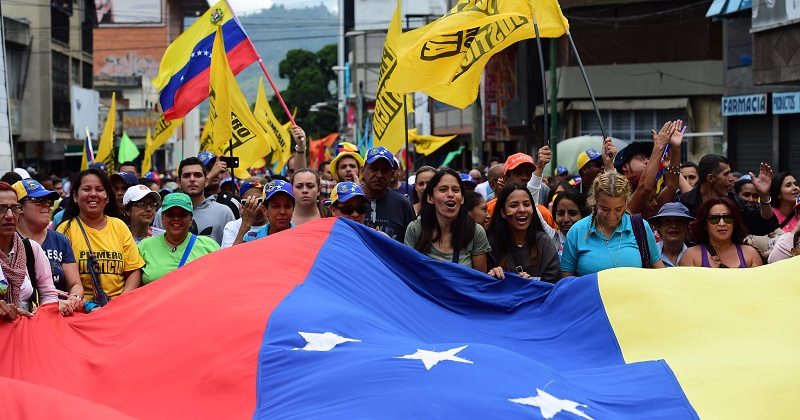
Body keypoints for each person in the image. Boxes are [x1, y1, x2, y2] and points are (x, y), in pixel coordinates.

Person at [57, 169, 144, 311]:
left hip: (120, 312)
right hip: (80, 311)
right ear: (74, 196)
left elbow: (134, 271)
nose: (93, 194)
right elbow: (63, 281)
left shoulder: (119, 226)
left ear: (107, 197)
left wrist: (121, 303)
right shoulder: (65, 230)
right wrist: (87, 306)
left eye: (99, 189)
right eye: (86, 189)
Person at [561, 172, 664, 278]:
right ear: (595, 202)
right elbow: (566, 282)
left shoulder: (640, 227)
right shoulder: (577, 231)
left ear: (626, 203)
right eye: (605, 209)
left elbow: (660, 272)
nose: (611, 215)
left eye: (618, 209)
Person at [0, 181, 78, 320]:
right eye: (1, 209)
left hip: (26, 332)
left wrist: (43, 310)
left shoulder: (31, 249)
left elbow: (48, 294)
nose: (10, 215)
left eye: (14, 208)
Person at [13, 180, 83, 306]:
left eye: (48, 201)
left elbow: (75, 284)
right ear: (19, 207)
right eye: (38, 200)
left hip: (58, 316)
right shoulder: (8, 241)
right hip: (23, 317)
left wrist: (74, 298)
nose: (47, 205)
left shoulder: (60, 240)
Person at [405, 169, 490, 271]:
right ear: (430, 198)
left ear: (462, 199)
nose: (450, 194)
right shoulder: (415, 229)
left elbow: (480, 280)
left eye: (455, 190)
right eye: (443, 189)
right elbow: (407, 274)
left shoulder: (476, 232)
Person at [679, 155, 777, 236]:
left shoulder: (734, 201)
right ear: (710, 178)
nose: (731, 179)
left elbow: (763, 225)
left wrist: (764, 195)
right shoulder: (683, 203)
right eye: (726, 174)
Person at [138, 193, 219, 284]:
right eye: (170, 214)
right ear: (162, 219)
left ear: (191, 219)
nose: (176, 218)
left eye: (182, 214)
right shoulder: (144, 246)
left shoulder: (209, 246)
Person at [486, 184, 560, 282]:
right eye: (514, 205)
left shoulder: (544, 243)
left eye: (526, 204)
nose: (522, 209)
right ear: (503, 213)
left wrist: (531, 285)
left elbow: (553, 285)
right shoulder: (490, 244)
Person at [154, 157, 235, 245]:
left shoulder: (224, 212)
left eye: (198, 175)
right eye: (187, 175)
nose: (192, 179)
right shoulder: (164, 212)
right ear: (179, 182)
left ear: (206, 181)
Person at [680, 197, 762, 268]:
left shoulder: (751, 254)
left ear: (734, 223)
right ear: (705, 224)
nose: (722, 223)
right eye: (714, 219)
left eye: (728, 218)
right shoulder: (691, 256)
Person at [362, 147, 416, 242]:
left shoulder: (402, 204)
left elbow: (412, 245)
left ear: (391, 174)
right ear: (362, 171)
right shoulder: (350, 200)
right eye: (373, 169)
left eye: (385, 170)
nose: (379, 175)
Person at [222, 179, 267, 248]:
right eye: (247, 203)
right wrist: (245, 225)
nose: (253, 205)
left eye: (258, 201)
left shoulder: (274, 222)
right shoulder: (232, 227)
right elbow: (228, 256)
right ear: (241, 205)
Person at [197, 152, 241, 219]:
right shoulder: (193, 200)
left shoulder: (233, 201)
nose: (216, 172)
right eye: (209, 169)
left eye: (218, 167)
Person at [649, 202, 693, 267]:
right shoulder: (649, 255)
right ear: (658, 226)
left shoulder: (694, 257)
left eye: (679, 221)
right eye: (667, 221)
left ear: (686, 226)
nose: (674, 226)